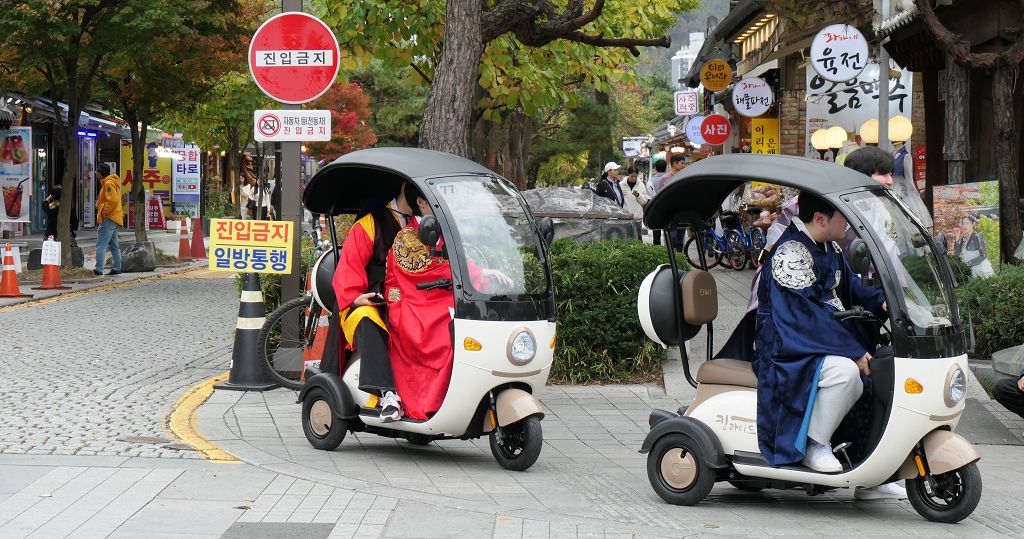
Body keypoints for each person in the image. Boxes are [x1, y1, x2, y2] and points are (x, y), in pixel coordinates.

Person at [755, 192, 903, 499]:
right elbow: (802, 318)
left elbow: (851, 287)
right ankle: (815, 445)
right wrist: (851, 350)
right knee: (846, 374)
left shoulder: (828, 247)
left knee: (880, 375)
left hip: (822, 336)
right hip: (788, 344)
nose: (847, 223)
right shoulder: (790, 253)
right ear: (821, 218)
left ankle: (869, 472)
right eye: (842, 216)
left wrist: (885, 302)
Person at [331, 184, 408, 421]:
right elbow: (349, 265)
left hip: (411, 298)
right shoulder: (371, 222)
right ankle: (387, 393)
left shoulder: (422, 221)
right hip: (369, 298)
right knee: (366, 318)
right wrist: (355, 297)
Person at [93, 163, 122, 276]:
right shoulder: (111, 182)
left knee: (101, 244)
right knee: (113, 244)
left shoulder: (108, 183)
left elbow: (112, 201)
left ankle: (99, 269)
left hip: (109, 217)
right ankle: (116, 267)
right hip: (114, 217)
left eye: (97, 171)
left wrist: (103, 211)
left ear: (100, 173)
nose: (96, 173)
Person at [954, 214, 995, 278]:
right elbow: (957, 254)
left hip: (980, 269)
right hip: (969, 269)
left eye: (967, 223)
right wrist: (957, 238)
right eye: (963, 223)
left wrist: (968, 264)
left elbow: (983, 255)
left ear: (973, 224)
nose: (965, 226)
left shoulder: (977, 237)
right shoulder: (963, 238)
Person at [647, 159, 668, 245]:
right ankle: (669, 248)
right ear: (666, 167)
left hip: (655, 208)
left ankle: (657, 248)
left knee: (656, 232)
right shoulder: (669, 178)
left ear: (655, 168)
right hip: (667, 207)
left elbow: (648, 197)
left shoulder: (651, 181)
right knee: (668, 231)